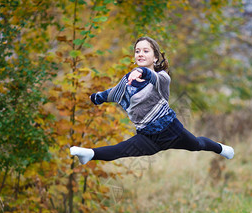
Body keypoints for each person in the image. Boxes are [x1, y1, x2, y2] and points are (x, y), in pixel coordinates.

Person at [70, 36, 234, 165]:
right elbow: (113, 93)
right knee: (119, 151)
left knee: (197, 144)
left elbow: (155, 78)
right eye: (137, 51)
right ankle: (89, 154)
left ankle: (222, 149)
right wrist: (97, 98)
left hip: (171, 131)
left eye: (145, 51)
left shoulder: (161, 77)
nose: (140, 54)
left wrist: (142, 72)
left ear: (155, 57)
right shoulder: (128, 80)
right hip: (148, 137)